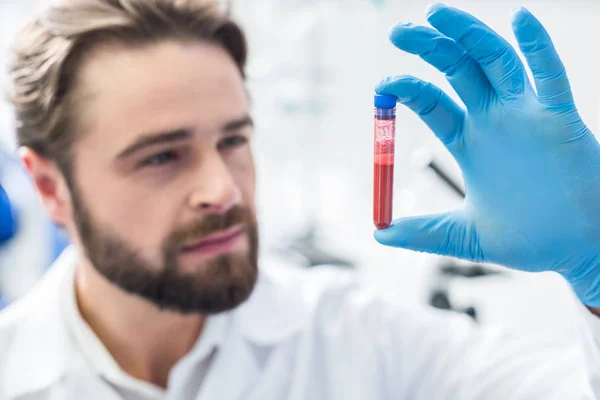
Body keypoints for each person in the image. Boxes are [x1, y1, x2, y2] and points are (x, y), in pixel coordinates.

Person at [0, 1, 599, 399]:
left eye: (234, 140)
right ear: (51, 187)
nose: (224, 189)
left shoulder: (353, 337)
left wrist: (594, 260)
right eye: (162, 156)